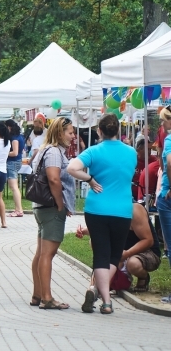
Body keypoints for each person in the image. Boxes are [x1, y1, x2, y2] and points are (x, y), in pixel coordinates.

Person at [68, 113, 137, 315]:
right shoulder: (131, 152)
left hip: (96, 208)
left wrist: (89, 179)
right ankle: (101, 296)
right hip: (123, 209)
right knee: (115, 255)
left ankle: (103, 297)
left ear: (99, 131)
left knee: (101, 254)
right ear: (118, 130)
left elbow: (72, 168)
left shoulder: (94, 151)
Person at [29, 118, 76, 310]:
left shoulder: (45, 149)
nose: (73, 136)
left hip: (40, 206)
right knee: (48, 254)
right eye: (70, 132)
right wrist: (60, 203)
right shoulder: (55, 152)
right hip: (50, 207)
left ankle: (37, 294)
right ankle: (47, 297)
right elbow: (54, 179)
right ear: (59, 133)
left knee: (41, 253)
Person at [76, 203, 160, 302]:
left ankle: (143, 277)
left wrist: (127, 254)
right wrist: (84, 231)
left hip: (145, 251)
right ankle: (95, 288)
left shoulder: (135, 210)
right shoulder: (110, 209)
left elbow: (148, 241)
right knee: (96, 243)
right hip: (121, 251)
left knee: (133, 264)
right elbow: (102, 229)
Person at [153, 106, 171, 297]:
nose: (162, 124)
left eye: (163, 120)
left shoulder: (169, 139)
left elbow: (170, 161)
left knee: (170, 243)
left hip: (167, 195)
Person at [5, 119, 25, 218]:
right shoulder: (20, 136)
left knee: (14, 187)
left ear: (9, 127)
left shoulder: (14, 138)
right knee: (15, 187)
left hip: (12, 162)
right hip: (18, 161)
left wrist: (4, 153)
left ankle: (18, 209)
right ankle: (18, 209)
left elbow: (15, 152)